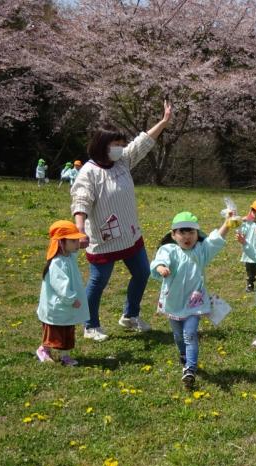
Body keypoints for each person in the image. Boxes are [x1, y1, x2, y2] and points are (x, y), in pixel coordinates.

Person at [70, 100, 172, 341]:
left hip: (130, 235)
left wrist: (164, 122)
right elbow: (81, 202)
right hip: (104, 240)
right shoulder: (89, 172)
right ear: (102, 146)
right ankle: (90, 325)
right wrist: (79, 230)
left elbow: (143, 142)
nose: (120, 148)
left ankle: (130, 315)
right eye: (115, 144)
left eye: (120, 144)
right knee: (98, 282)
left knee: (142, 274)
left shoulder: (123, 162)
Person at [150, 211, 232, 389]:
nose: (187, 237)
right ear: (173, 235)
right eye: (182, 232)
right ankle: (183, 355)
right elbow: (159, 260)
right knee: (179, 336)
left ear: (197, 234)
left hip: (195, 303)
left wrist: (227, 223)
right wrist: (161, 267)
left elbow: (215, 240)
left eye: (191, 233)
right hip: (173, 302)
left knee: (190, 335)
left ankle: (190, 369)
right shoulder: (169, 250)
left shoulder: (201, 251)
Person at [36, 221, 89, 366]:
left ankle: (65, 356)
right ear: (61, 242)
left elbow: (77, 248)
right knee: (54, 330)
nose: (76, 243)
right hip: (57, 305)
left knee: (67, 329)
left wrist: (81, 242)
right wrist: (72, 298)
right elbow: (61, 286)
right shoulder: (57, 263)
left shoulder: (69, 256)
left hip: (66, 305)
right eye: (73, 240)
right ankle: (44, 350)